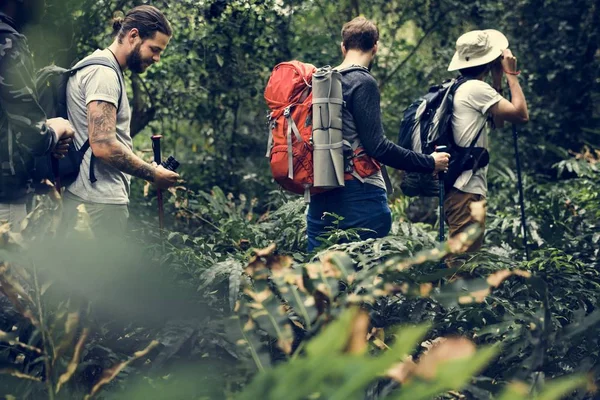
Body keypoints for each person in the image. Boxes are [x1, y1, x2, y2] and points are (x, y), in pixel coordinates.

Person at [306, 17, 450, 252]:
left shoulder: (321, 81)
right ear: (375, 46)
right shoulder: (363, 82)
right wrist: (429, 162)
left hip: (319, 192)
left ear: (343, 47)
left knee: (322, 277)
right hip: (359, 194)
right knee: (366, 277)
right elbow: (378, 147)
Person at [61, 5, 179, 237]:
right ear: (133, 35)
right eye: (154, 49)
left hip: (90, 197)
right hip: (99, 201)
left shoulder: (101, 66)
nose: (157, 58)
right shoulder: (103, 74)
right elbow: (104, 146)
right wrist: (153, 174)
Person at [445, 29, 529, 252]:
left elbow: (498, 122)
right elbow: (521, 115)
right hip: (466, 190)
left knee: (466, 263)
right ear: (488, 60)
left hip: (461, 188)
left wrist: (497, 80)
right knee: (462, 266)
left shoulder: (460, 86)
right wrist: (512, 74)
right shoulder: (475, 89)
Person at [0, 0, 75, 232]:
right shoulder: (7, 42)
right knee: (12, 267)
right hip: (5, 196)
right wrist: (57, 128)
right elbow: (33, 136)